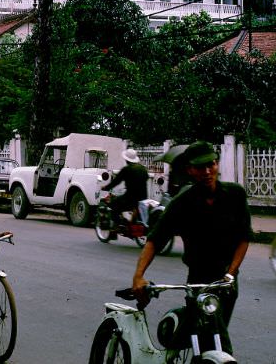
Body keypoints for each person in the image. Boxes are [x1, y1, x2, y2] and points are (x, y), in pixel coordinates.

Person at [132, 140, 252, 355]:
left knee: (210, 337)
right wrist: (138, 276)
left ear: (217, 164)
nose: (207, 171)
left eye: (211, 165)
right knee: (215, 342)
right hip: (198, 279)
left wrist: (231, 273)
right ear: (190, 170)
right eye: (200, 167)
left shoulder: (235, 195)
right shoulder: (182, 202)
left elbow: (244, 238)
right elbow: (154, 240)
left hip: (227, 282)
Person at [101, 148, 150, 227]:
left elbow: (116, 182)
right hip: (143, 198)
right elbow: (146, 178)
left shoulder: (126, 169)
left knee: (113, 205)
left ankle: (119, 225)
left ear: (126, 159)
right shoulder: (143, 169)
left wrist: (105, 187)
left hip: (130, 198)